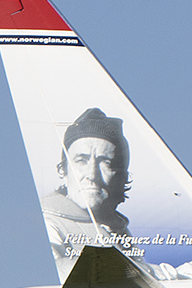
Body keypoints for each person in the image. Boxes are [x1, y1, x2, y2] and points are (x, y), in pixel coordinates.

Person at [40, 107, 132, 269]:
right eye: (81, 161)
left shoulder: (119, 229)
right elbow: (54, 269)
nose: (92, 174)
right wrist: (155, 272)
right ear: (63, 170)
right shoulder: (49, 223)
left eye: (105, 162)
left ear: (121, 176)